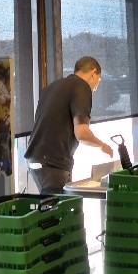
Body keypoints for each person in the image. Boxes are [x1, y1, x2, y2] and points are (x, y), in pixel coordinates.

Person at [24, 56, 114, 194]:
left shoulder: (52, 87)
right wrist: (102, 145)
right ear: (93, 73)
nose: (96, 88)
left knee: (51, 204)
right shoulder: (82, 87)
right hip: (53, 162)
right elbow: (82, 133)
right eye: (99, 80)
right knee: (59, 207)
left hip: (36, 159)